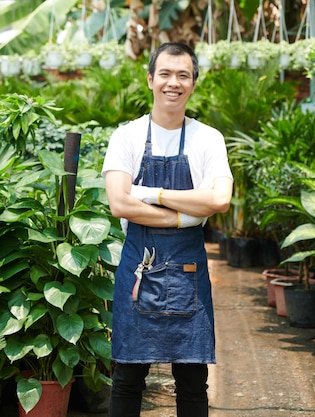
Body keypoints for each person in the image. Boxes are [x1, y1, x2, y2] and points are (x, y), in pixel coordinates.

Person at [101, 42, 233, 417]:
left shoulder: (208, 138)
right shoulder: (125, 136)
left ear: (193, 83)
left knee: (192, 382)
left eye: (183, 75)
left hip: (188, 271)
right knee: (127, 377)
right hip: (138, 269)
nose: (173, 83)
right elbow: (120, 204)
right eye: (165, 74)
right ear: (150, 79)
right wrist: (186, 214)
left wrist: (154, 194)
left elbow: (220, 200)